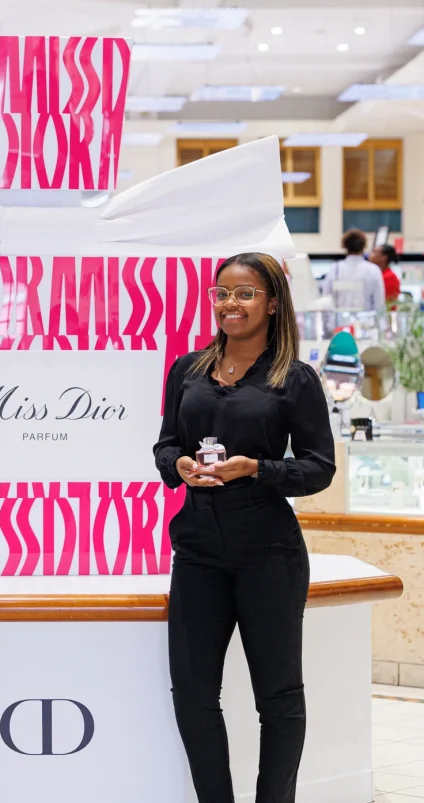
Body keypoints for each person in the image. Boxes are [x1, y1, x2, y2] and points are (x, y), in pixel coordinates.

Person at [153, 252, 336, 803]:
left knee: (278, 698)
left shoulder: (294, 379)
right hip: (198, 549)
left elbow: (319, 467)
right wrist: (180, 466)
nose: (230, 303)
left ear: (273, 303)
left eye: (245, 293)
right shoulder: (187, 370)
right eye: (222, 293)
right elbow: (165, 445)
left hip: (269, 553)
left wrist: (258, 469)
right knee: (192, 694)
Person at [323, 229, 385, 313]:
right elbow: (379, 304)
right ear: (364, 246)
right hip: (365, 320)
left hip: (339, 320)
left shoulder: (335, 269)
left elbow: (326, 299)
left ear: (345, 246)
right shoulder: (373, 270)